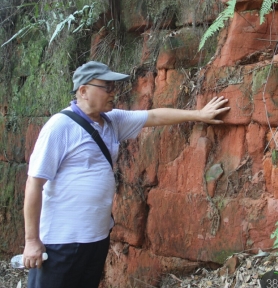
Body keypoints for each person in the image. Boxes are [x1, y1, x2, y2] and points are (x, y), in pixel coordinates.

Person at [23, 61, 230, 288]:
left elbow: (154, 117)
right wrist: (32, 241)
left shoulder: (112, 121)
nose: (114, 93)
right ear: (83, 91)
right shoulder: (60, 127)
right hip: (60, 242)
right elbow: (35, 183)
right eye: (107, 87)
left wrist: (199, 114)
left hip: (97, 239)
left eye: (114, 87)